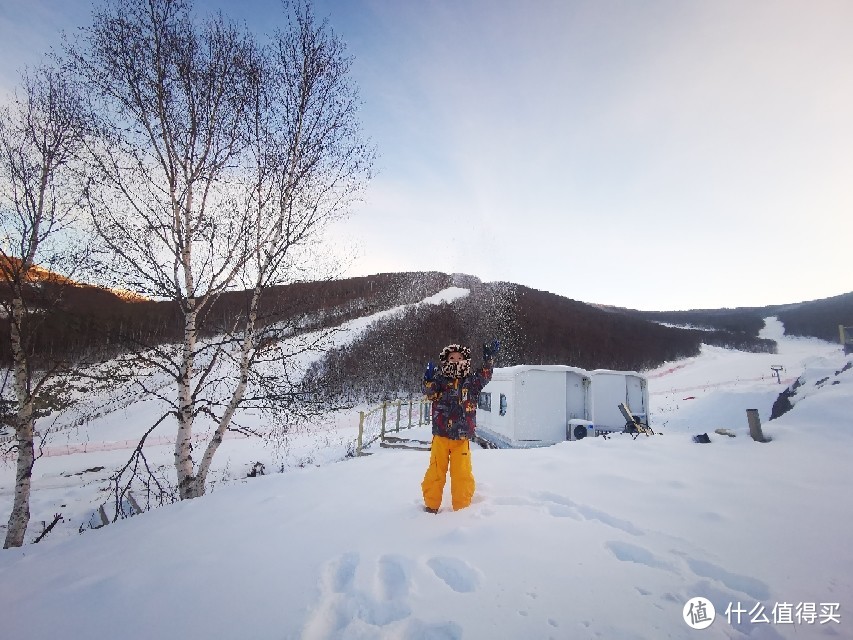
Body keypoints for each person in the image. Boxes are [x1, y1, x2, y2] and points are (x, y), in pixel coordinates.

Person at [421, 340, 499, 513]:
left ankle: (462, 509)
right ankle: (431, 505)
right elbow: (430, 394)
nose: (456, 360)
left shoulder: (471, 382)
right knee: (435, 472)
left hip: (461, 437)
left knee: (462, 474)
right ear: (445, 361)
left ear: (466, 360)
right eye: (452, 358)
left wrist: (489, 361)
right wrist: (428, 381)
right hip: (440, 436)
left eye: (459, 357)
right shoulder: (440, 381)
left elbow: (485, 376)